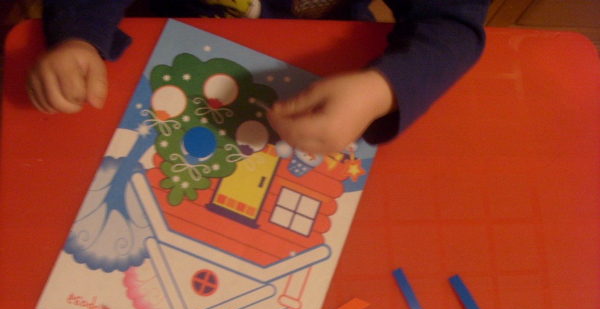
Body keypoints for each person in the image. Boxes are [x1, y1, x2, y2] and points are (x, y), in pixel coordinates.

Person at [26, 0, 490, 154]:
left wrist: (383, 89)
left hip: (328, 69)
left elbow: (451, 24)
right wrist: (78, 34)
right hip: (166, 49)